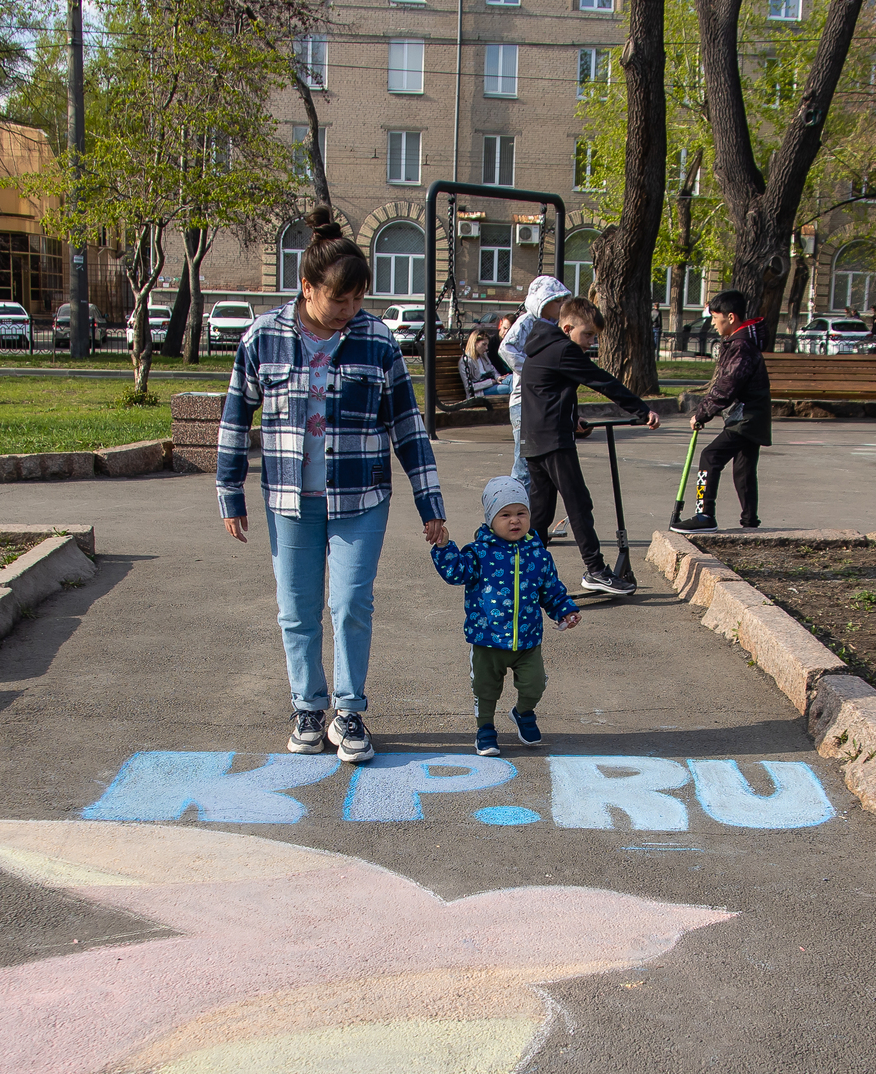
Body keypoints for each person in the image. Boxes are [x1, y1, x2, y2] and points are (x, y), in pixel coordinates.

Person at [217, 205, 447, 765]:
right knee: (296, 608)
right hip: (290, 499)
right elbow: (234, 416)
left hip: (361, 496)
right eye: (338, 301)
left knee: (350, 603)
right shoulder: (263, 337)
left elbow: (408, 426)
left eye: (358, 301)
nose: (349, 312)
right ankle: (306, 708)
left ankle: (348, 711)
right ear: (306, 288)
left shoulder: (377, 341)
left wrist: (430, 503)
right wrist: (230, 489)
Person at [518, 296, 659, 597]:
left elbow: (546, 391)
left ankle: (522, 574)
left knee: (540, 517)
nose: (590, 342)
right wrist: (642, 410)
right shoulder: (564, 349)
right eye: (588, 335)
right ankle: (595, 570)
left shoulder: (539, 346)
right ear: (568, 327)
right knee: (579, 504)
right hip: (555, 443)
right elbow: (602, 381)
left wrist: (572, 419)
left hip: (534, 441)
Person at [430, 475, 580, 757]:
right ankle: (485, 728)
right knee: (485, 689)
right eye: (505, 514)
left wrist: (565, 610)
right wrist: (444, 548)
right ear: (490, 520)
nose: (515, 521)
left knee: (535, 684)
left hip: (527, 640)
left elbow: (551, 590)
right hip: (487, 639)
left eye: (521, 513)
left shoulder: (539, 555)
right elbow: (456, 573)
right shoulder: (478, 553)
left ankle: (523, 712)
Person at [672, 289, 770, 534]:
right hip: (750, 416)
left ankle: (704, 515)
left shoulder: (741, 346)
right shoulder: (740, 342)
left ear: (731, 317)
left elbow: (727, 386)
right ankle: (750, 522)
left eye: (716, 317)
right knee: (743, 469)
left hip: (745, 417)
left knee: (710, 457)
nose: (713, 323)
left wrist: (702, 413)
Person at [500, 276, 572, 492]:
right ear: (542, 301)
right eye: (556, 301)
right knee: (524, 463)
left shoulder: (554, 326)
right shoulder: (527, 321)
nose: (561, 306)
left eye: (562, 301)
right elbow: (506, 349)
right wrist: (532, 371)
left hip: (541, 402)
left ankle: (529, 515)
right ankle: (513, 506)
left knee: (538, 465)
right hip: (523, 402)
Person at [461, 330, 514, 399]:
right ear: (475, 343)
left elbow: (492, 369)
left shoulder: (483, 356)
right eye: (484, 344)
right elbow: (469, 387)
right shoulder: (465, 361)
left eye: (487, 345)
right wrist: (490, 382)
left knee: (514, 378)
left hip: (492, 382)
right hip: (480, 391)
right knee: (508, 388)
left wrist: (498, 377)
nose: (486, 348)